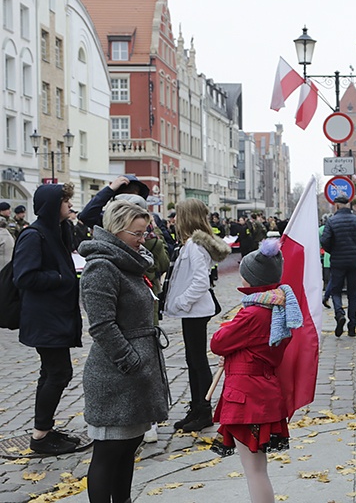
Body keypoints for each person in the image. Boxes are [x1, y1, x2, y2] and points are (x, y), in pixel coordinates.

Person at [78, 200, 170, 502]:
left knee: (129, 447)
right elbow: (102, 325)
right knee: (108, 451)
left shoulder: (129, 263)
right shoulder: (102, 267)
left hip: (136, 375)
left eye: (145, 233)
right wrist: (131, 361)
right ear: (117, 231)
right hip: (115, 376)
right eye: (138, 233)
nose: (143, 240)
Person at [210, 237, 300, 503]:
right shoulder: (276, 308)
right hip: (262, 392)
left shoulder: (253, 313)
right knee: (258, 469)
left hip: (246, 398)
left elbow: (218, 343)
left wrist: (226, 328)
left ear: (253, 280)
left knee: (254, 471)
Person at [12, 183, 81, 455]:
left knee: (52, 372)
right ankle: (40, 436)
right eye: (65, 201)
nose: (69, 205)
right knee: (59, 372)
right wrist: (62, 278)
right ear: (53, 205)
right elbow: (24, 276)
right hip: (45, 319)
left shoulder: (58, 230)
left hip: (55, 316)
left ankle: (45, 430)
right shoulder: (34, 235)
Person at [164, 198, 231, 432]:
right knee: (193, 360)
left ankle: (203, 409)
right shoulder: (193, 244)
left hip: (194, 310)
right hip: (193, 311)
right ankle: (197, 407)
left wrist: (182, 301)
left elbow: (201, 281)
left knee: (197, 361)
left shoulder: (194, 245)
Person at [320, 195, 356, 338]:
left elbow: (325, 241)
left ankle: (339, 314)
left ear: (336, 206)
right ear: (349, 205)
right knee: (353, 294)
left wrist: (333, 251)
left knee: (336, 291)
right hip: (355, 262)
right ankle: (352, 325)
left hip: (337, 262)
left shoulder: (331, 221)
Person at [78, 174, 151, 229]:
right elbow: (86, 216)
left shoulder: (108, 219)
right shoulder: (110, 218)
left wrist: (110, 189)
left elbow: (86, 216)